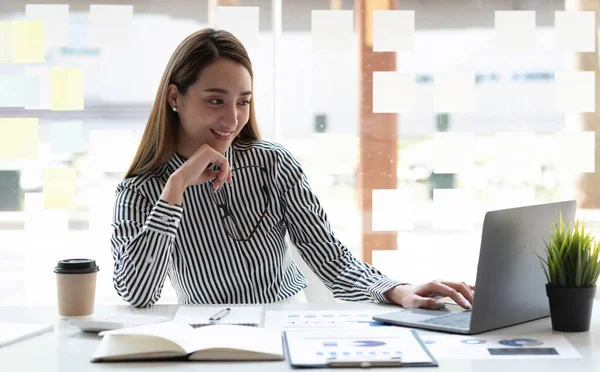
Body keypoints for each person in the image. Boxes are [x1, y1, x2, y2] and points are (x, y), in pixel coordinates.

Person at [111, 28, 474, 309]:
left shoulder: (272, 163)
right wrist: (175, 188)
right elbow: (138, 294)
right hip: (205, 335)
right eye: (216, 101)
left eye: (244, 102)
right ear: (175, 98)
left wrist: (398, 290)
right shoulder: (140, 189)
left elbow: (329, 258)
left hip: (285, 323)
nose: (233, 118)